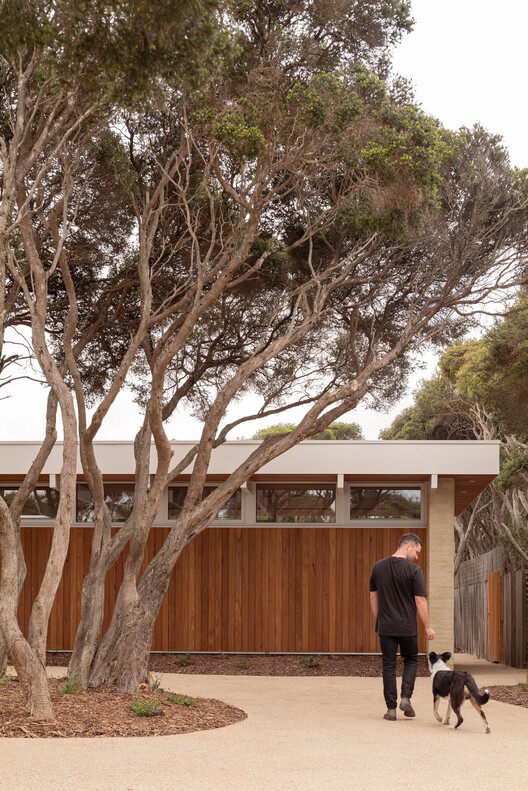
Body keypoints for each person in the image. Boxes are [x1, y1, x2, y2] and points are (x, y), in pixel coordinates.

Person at [369, 532, 436, 721]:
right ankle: (405, 697)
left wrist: (380, 619)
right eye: (416, 551)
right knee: (411, 660)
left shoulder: (378, 567)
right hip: (407, 627)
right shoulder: (414, 571)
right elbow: (420, 600)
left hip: (386, 627)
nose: (416, 556)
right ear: (408, 546)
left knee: (388, 666)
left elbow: (373, 597)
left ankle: (391, 710)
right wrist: (428, 627)